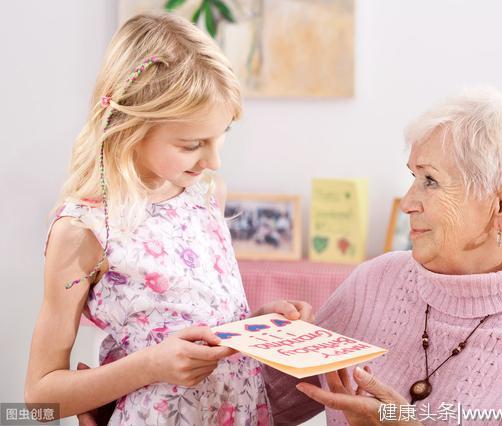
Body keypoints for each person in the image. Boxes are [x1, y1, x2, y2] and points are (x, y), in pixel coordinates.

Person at [23, 12, 311, 425]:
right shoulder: (82, 231)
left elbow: (195, 320)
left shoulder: (207, 195)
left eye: (223, 133)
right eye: (192, 143)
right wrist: (149, 366)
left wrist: (249, 326)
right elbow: (37, 401)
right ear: (130, 127)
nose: (214, 160)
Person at [267, 87, 502, 425]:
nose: (407, 203)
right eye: (413, 177)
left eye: (430, 181)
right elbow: (261, 408)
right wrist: (256, 338)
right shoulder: (374, 283)